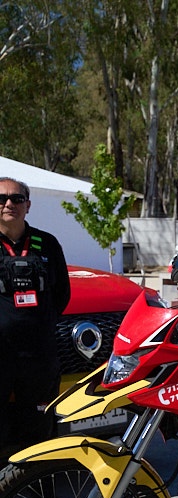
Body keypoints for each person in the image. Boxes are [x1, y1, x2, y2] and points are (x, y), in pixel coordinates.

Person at [0, 177, 70, 461]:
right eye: (1, 198)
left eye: (17, 199)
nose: (8, 204)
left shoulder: (47, 244)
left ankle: (44, 494)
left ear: (27, 205)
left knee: (41, 425)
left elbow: (61, 294)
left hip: (39, 356)